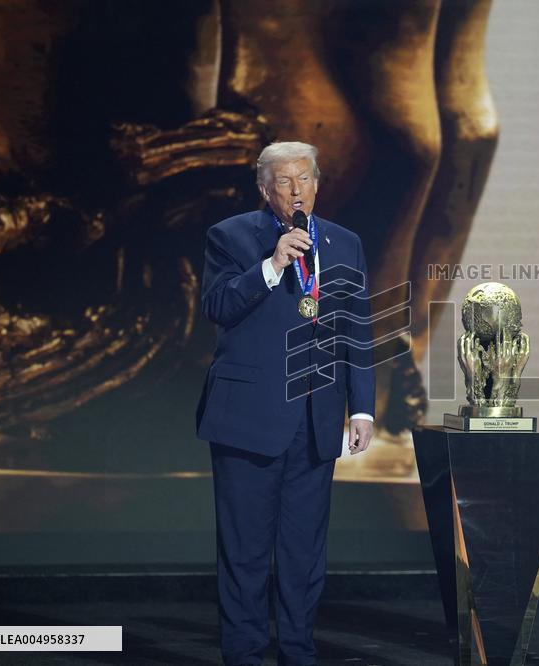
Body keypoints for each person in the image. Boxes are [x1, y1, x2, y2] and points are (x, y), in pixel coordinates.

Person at [196, 141, 376, 666]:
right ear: (264, 189)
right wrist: (271, 266)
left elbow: (357, 329)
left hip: (316, 421)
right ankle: (246, 654)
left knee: (303, 555)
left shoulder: (345, 243)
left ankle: (299, 652)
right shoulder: (230, 236)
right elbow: (217, 305)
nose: (296, 191)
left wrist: (361, 407)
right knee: (246, 553)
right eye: (283, 181)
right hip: (248, 420)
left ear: (318, 184)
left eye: (304, 179)